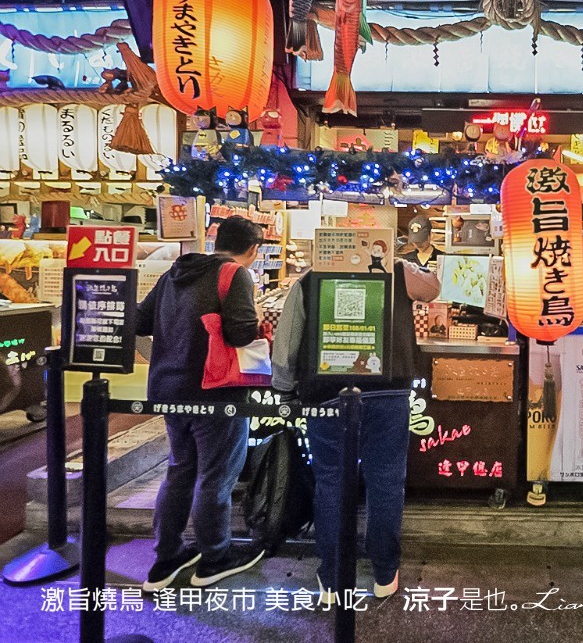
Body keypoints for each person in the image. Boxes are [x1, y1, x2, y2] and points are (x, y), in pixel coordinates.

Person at [271, 258, 439, 602]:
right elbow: (433, 287)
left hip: (326, 395)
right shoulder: (395, 271)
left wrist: (284, 390)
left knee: (331, 482)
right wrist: (399, 260)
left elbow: (286, 344)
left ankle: (332, 578)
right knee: (386, 483)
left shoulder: (309, 277)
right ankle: (384, 573)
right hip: (389, 393)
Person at [138, 216, 266, 592]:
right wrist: (258, 323)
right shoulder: (235, 274)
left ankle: (166, 558)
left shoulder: (176, 272)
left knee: (180, 471)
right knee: (216, 475)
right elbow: (241, 332)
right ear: (253, 250)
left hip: (169, 388)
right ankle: (214, 558)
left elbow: (141, 321)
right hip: (216, 391)